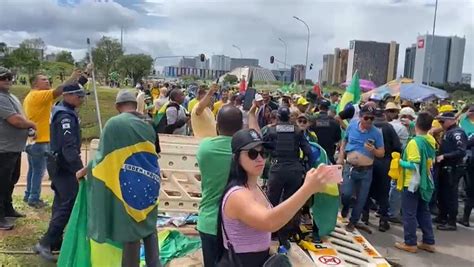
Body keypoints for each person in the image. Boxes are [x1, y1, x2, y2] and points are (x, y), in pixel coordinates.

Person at [216, 128, 333, 266]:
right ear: (236, 158)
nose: (260, 158)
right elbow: (270, 222)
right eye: (252, 154)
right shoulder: (237, 195)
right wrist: (307, 189)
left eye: (263, 153)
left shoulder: (253, 186)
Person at [77, 90, 161, 267]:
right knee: (148, 224)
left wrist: (85, 171)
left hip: (129, 181)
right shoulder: (149, 122)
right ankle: (155, 264)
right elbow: (154, 152)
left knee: (131, 228)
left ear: (117, 107)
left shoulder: (114, 124)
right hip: (150, 180)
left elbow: (103, 158)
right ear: (135, 104)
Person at [197, 103, 259, 267]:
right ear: (240, 127)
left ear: (217, 126)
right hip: (239, 226)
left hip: (209, 222)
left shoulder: (205, 147)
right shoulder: (248, 153)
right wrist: (252, 114)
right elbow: (257, 143)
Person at [34, 83, 87, 261]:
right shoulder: (65, 115)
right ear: (67, 95)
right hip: (64, 165)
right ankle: (46, 242)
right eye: (78, 96)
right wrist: (79, 169)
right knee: (69, 202)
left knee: (60, 202)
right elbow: (68, 147)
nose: (81, 99)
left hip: (57, 163)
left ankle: (55, 240)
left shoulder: (62, 109)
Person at [23, 68, 87, 208]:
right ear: (35, 84)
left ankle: (28, 195)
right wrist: (72, 77)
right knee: (39, 171)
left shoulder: (33, 96)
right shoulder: (39, 95)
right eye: (43, 80)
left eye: (47, 79)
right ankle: (34, 198)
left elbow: (67, 92)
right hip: (41, 140)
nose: (47, 81)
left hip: (33, 140)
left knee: (33, 170)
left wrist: (83, 76)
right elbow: (61, 91)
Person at [263, 106, 315, 249]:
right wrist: (307, 168)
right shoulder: (297, 131)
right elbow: (309, 152)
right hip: (294, 170)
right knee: (290, 204)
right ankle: (285, 236)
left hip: (277, 169)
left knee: (272, 202)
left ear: (278, 117)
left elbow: (264, 148)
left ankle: (270, 232)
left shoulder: (272, 130)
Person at [337, 105, 385, 232]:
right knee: (345, 193)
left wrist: (373, 150)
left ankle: (353, 221)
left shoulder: (376, 133)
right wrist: (341, 157)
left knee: (362, 198)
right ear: (360, 117)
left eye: (371, 119)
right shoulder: (352, 126)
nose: (369, 121)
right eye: (366, 118)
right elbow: (344, 141)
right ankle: (346, 206)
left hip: (366, 170)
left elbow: (382, 153)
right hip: (350, 167)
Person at [394, 112, 436, 253]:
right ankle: (428, 241)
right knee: (423, 211)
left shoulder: (414, 142)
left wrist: (400, 162)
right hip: (425, 180)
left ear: (417, 124)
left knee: (409, 213)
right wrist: (411, 123)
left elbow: (414, 164)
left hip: (411, 182)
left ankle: (410, 243)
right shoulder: (430, 140)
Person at [0, 67, 35, 230]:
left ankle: (7, 209)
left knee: (11, 180)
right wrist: (31, 124)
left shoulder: (11, 97)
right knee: (2, 182)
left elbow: (22, 118)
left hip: (14, 148)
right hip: (3, 149)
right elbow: (16, 121)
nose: (7, 80)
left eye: (9, 77)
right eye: (3, 78)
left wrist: (28, 127)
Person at [363, 108, 402, 232]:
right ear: (384, 115)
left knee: (366, 189)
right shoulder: (388, 128)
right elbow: (397, 147)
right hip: (385, 163)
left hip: (369, 161)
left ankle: (365, 216)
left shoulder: (368, 127)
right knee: (384, 192)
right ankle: (383, 221)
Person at [433, 111, 468, 231]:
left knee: (450, 195)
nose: (440, 124)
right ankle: (442, 216)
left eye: (442, 121)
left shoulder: (457, 133)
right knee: (442, 193)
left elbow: (461, 151)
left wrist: (445, 156)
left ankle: (451, 221)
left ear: (450, 120)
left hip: (453, 167)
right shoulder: (447, 132)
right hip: (444, 166)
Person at [310, 99, 341, 164]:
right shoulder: (334, 123)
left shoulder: (312, 121)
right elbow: (337, 139)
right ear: (328, 109)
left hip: (314, 154)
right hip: (329, 155)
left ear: (319, 107)